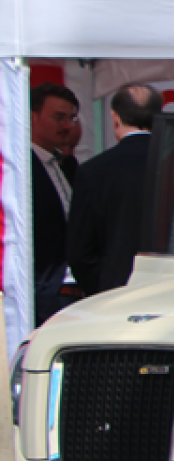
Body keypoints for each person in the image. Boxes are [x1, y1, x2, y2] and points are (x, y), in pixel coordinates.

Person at [67, 83, 163, 297]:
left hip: (116, 292)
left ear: (114, 118)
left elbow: (79, 253)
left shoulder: (93, 172)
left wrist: (103, 288)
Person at [29, 83, 81, 324]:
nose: (67, 126)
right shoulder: (21, 168)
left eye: (71, 118)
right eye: (58, 117)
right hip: (45, 292)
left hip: (69, 288)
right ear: (32, 117)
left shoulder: (63, 165)